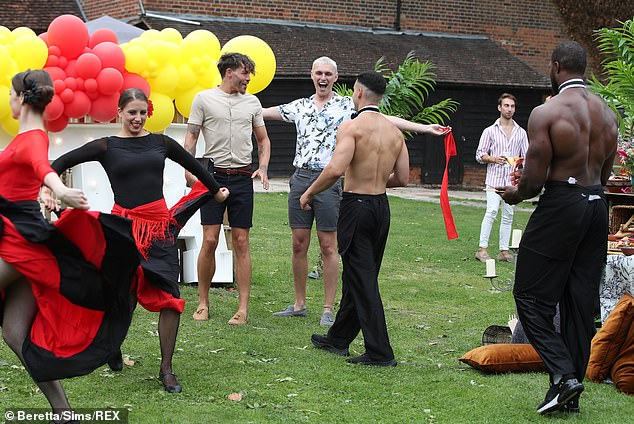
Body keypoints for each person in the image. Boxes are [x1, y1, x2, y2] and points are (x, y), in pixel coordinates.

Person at [46, 88, 230, 394]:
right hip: (124, 232)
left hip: (159, 231)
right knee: (122, 295)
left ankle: (166, 369)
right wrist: (50, 188)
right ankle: (113, 346)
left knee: (170, 297)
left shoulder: (161, 142)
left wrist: (215, 189)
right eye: (132, 112)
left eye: (143, 112)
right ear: (119, 111)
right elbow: (60, 162)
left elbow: (193, 164)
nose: (138, 118)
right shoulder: (107, 146)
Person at [263, 56, 449, 326]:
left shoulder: (346, 106)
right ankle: (299, 304)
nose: (323, 77)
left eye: (328, 73)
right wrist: (235, 100)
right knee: (298, 243)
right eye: (319, 73)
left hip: (329, 180)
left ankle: (328, 308)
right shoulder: (299, 106)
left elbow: (383, 118)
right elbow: (262, 112)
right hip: (301, 177)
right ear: (311, 75)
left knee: (328, 245)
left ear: (336, 78)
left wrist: (424, 128)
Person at [0, 70, 139, 416]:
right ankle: (64, 414)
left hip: (17, 243)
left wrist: (59, 189)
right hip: (21, 236)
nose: (9, 101)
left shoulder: (32, 137)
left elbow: (41, 167)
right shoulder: (26, 135)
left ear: (20, 97)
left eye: (11, 96)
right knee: (15, 334)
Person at [497, 41, 618, 415]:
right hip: (598, 205)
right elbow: (606, 173)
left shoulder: (546, 113)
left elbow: (533, 181)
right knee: (581, 304)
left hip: (561, 205)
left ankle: (564, 375)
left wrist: (515, 193)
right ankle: (569, 397)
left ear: (556, 67)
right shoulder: (608, 114)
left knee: (529, 295)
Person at [300, 71, 409, 366]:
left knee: (363, 279)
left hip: (356, 207)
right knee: (360, 275)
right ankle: (338, 338)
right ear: (381, 97)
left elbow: (335, 169)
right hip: (380, 208)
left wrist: (308, 193)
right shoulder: (395, 132)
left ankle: (380, 351)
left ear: (358, 93)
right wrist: (374, 181)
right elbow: (403, 177)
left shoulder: (352, 127)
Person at [185, 52, 271, 325]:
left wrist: (264, 167)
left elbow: (264, 140)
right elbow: (192, 136)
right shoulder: (203, 99)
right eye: (245, 73)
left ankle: (242, 309)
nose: (248, 79)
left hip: (242, 177)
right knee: (209, 239)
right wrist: (189, 170)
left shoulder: (253, 102)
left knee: (242, 241)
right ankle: (202, 303)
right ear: (229, 72)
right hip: (211, 177)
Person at [475, 93, 529, 263]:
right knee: (491, 211)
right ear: (499, 107)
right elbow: (479, 154)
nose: (509, 109)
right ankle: (482, 249)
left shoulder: (521, 132)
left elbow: (527, 156)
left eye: (512, 106)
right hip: (494, 179)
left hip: (511, 181)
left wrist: (521, 167)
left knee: (508, 215)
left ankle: (504, 251)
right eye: (506, 106)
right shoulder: (490, 131)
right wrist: (493, 158)